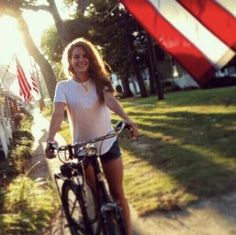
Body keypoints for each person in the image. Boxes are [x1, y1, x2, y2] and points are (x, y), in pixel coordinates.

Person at [45, 37, 138, 235]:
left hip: (108, 142)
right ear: (70, 61)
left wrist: (127, 119)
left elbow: (110, 101)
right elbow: (57, 113)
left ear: (91, 59)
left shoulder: (100, 81)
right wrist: (50, 139)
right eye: (76, 56)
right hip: (82, 147)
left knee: (117, 193)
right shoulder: (63, 87)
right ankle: (104, 229)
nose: (81, 60)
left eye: (85, 56)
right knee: (96, 196)